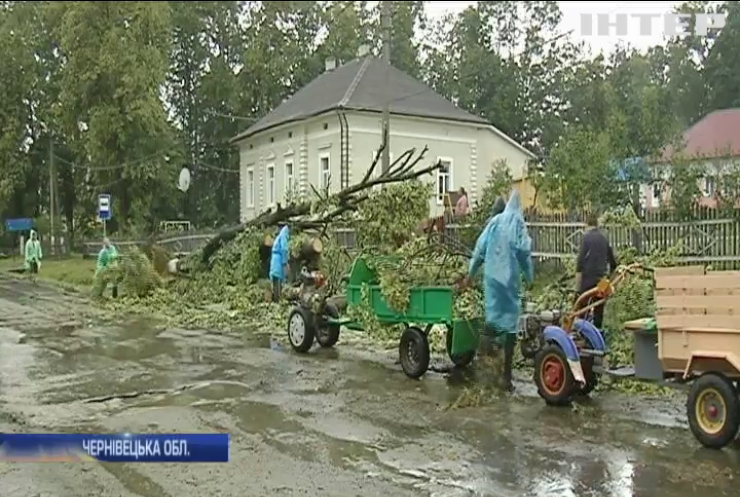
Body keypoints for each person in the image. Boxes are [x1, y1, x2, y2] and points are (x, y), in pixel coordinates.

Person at [468, 191, 533, 391]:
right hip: (510, 282)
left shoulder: (495, 222)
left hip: (492, 279)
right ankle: (506, 375)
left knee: (493, 317)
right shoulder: (518, 225)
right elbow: (524, 253)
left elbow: (480, 248)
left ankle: (483, 357)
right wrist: (530, 277)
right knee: (511, 326)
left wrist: (471, 272)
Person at [575, 213, 617, 330]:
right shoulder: (604, 238)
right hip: (602, 281)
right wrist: (609, 280)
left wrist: (577, 290)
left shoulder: (586, 238)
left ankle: (583, 333)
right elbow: (614, 264)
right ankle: (598, 333)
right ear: (597, 224)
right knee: (599, 310)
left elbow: (580, 265)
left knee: (582, 309)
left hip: (588, 280)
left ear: (587, 225)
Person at [269, 225, 290, 302]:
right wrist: (285, 262)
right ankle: (277, 300)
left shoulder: (279, 236)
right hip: (278, 260)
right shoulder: (284, 234)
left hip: (275, 259)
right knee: (277, 280)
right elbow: (284, 248)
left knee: (276, 279)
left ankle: (276, 299)